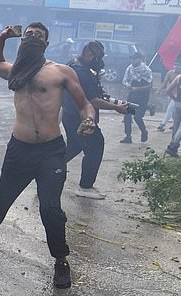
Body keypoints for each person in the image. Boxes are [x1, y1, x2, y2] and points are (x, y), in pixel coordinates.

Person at [0, 23, 96, 289]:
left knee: (50, 208)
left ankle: (60, 260)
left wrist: (89, 120)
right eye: (29, 35)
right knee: (1, 197)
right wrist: (2, 36)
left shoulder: (59, 72)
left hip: (50, 150)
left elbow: (84, 104)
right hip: (19, 149)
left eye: (39, 36)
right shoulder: (16, 72)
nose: (33, 37)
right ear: (23, 41)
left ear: (46, 44)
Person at [63, 41, 130, 200]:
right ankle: (85, 187)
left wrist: (104, 95)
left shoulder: (73, 64)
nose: (98, 61)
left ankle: (47, 172)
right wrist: (116, 108)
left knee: (74, 146)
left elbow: (93, 93)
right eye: (96, 57)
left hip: (69, 115)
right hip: (81, 118)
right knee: (95, 146)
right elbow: (92, 100)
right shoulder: (82, 72)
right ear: (88, 54)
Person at [120, 52, 152, 143]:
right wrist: (128, 86)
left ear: (140, 59)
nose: (133, 61)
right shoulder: (130, 68)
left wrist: (136, 89)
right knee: (127, 115)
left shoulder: (147, 70)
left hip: (143, 96)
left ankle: (144, 131)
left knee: (137, 117)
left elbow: (149, 86)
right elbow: (125, 80)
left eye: (135, 59)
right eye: (132, 59)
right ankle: (128, 136)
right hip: (132, 95)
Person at [164, 67, 181, 157]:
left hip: (177, 103)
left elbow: (168, 90)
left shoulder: (179, 77)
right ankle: (173, 145)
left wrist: (174, 98)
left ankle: (173, 148)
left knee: (176, 124)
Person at [156, 61, 181, 132]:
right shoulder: (170, 73)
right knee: (173, 110)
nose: (176, 66)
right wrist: (159, 89)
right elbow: (164, 82)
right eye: (175, 64)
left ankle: (162, 124)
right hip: (172, 94)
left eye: (178, 64)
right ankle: (175, 124)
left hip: (180, 96)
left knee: (170, 110)